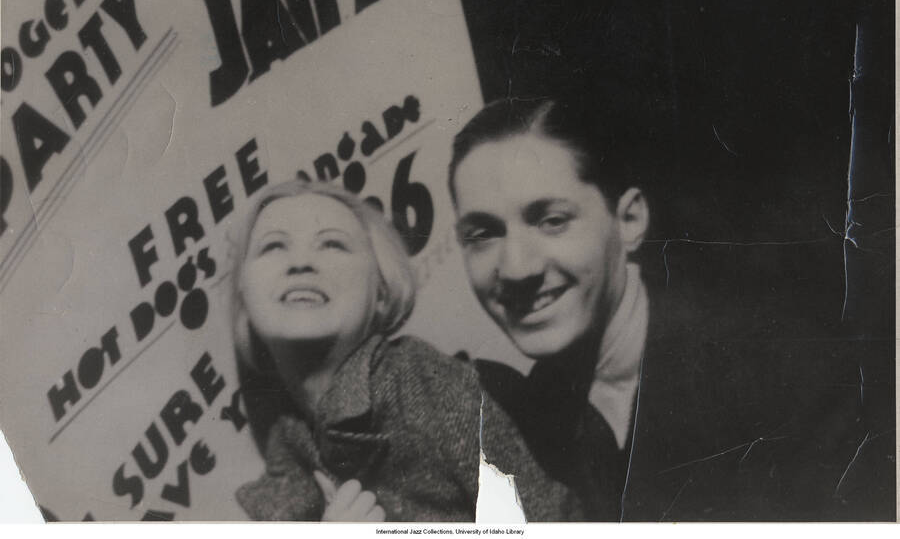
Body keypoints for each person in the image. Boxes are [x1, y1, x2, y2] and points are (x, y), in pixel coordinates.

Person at [448, 97, 863, 520]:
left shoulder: (781, 371)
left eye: (552, 220)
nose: (518, 268)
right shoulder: (526, 422)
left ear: (628, 220)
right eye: (483, 234)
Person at [230, 178, 594, 521]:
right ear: (244, 296)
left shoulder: (422, 383)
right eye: (273, 245)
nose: (301, 262)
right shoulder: (287, 432)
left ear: (382, 291)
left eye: (332, 243)